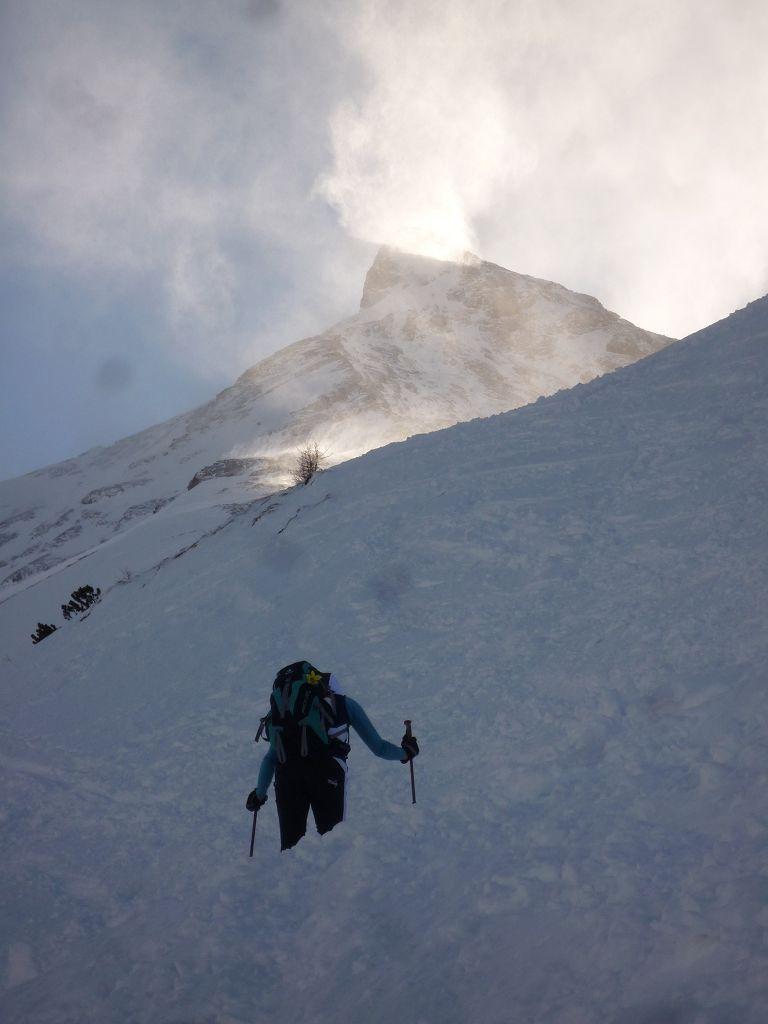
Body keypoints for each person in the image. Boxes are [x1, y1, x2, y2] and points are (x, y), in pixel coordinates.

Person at [246, 665, 419, 851]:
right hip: (327, 774)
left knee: (290, 850)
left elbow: (271, 758)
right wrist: (406, 752)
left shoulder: (282, 713)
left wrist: (259, 794)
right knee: (333, 845)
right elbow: (379, 748)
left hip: (286, 778)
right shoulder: (344, 704)